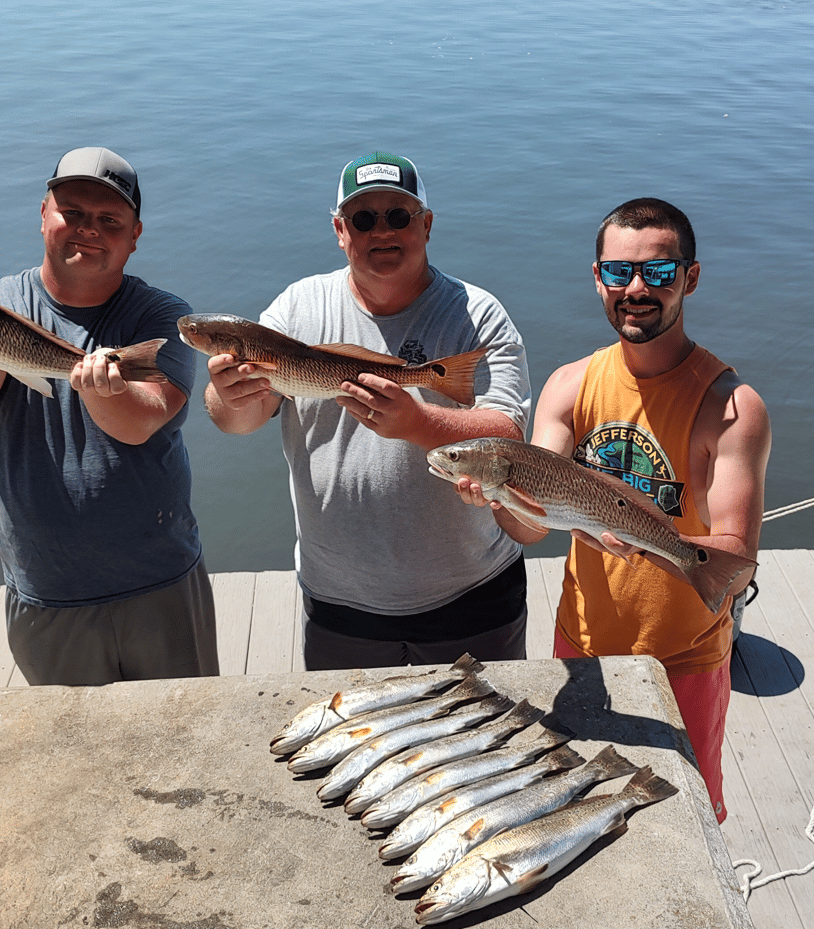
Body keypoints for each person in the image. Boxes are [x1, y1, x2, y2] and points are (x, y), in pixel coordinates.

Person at [455, 198, 771, 822]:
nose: (635, 289)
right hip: (583, 642)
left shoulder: (731, 405)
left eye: (657, 273)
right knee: (572, 799)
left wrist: (665, 540)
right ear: (596, 276)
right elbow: (528, 526)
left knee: (688, 818)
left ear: (691, 277)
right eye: (617, 272)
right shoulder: (570, 385)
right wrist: (496, 495)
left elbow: (736, 551)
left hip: (685, 654)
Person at [204, 151, 531, 669]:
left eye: (399, 216)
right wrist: (227, 394)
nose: (383, 231)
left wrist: (419, 424)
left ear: (426, 224)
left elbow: (509, 438)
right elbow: (237, 420)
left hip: (472, 597)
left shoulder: (478, 315)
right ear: (340, 229)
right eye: (363, 219)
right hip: (340, 604)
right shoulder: (295, 309)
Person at [0, 146, 219, 684]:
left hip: (160, 582)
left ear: (135, 234)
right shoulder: (6, 303)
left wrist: (101, 389)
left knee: (187, 743)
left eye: (108, 220)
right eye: (72, 213)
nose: (88, 230)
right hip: (46, 589)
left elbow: (143, 420)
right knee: (72, 756)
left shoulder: (162, 315)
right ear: (43, 213)